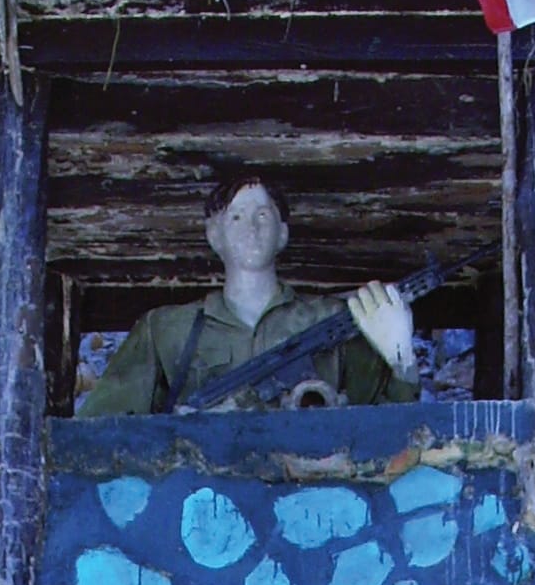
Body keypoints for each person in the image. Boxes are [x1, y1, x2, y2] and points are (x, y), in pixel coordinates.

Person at [80, 173, 418, 414]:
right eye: (236, 217)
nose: (252, 228)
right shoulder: (166, 329)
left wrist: (402, 360)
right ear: (214, 235)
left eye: (263, 215)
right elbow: (101, 431)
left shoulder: (330, 322)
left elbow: (388, 432)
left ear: (283, 233)